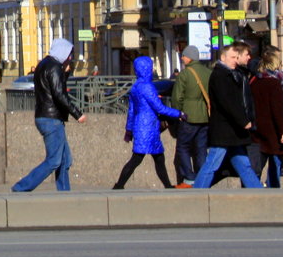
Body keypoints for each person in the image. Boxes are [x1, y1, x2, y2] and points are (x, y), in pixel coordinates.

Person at [12, 39, 86, 192]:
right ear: (63, 52)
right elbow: (59, 94)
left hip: (45, 115)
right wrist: (77, 114)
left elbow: (54, 88)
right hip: (51, 118)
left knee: (65, 160)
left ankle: (64, 192)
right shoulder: (54, 67)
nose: (70, 58)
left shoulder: (44, 64)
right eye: (69, 54)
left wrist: (66, 72)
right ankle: (21, 187)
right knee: (54, 160)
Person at [192, 44, 263, 188]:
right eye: (232, 57)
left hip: (233, 131)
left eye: (237, 57)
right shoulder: (220, 75)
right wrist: (243, 120)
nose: (235, 60)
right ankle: (197, 192)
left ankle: (258, 192)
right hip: (224, 130)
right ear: (223, 58)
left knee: (244, 165)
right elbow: (227, 103)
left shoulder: (233, 74)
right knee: (212, 164)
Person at [112, 56, 181, 189]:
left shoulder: (135, 87)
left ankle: (166, 185)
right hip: (149, 126)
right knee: (139, 159)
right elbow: (159, 108)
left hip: (140, 125)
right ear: (147, 69)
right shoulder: (148, 87)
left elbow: (131, 111)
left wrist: (129, 130)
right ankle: (119, 185)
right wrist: (179, 113)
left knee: (154, 158)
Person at [250, 48, 283, 187]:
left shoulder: (254, 81)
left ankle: (253, 186)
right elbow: (276, 110)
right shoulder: (274, 83)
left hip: (258, 128)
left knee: (259, 161)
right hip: (272, 129)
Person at [170, 46, 211, 187]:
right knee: (201, 148)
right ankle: (202, 178)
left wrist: (177, 113)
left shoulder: (185, 74)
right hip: (205, 117)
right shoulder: (208, 72)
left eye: (184, 56)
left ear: (190, 57)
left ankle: (189, 177)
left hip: (188, 116)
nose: (182, 58)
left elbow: (177, 97)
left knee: (183, 147)